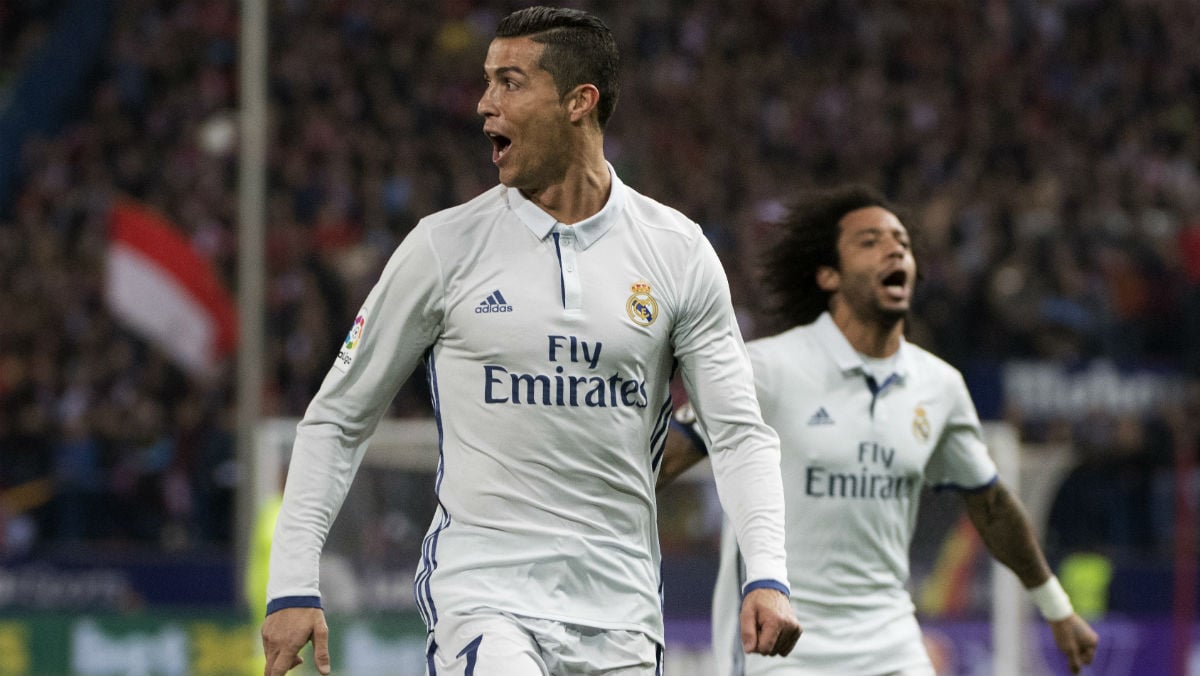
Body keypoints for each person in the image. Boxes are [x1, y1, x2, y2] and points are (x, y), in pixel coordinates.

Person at [260, 7, 801, 676]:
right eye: (486, 82)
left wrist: (768, 573)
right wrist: (291, 583)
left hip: (623, 614)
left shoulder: (677, 252)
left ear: (579, 102)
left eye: (510, 83)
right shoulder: (443, 248)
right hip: (484, 599)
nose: (485, 103)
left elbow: (741, 432)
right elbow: (338, 416)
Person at [659, 184, 1100, 675]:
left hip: (892, 645)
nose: (894, 249)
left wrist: (1057, 607)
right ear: (828, 274)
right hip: (780, 651)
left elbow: (991, 506)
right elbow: (659, 465)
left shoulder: (939, 387)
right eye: (869, 241)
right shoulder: (767, 370)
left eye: (902, 243)